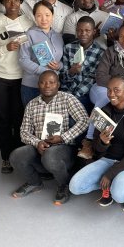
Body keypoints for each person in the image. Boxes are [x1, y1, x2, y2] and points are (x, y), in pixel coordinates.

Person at [69, 74, 124, 212]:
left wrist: (110, 173)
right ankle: (110, 184)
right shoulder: (104, 112)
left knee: (119, 196)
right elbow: (97, 149)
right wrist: (102, 142)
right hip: (107, 159)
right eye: (109, 90)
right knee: (75, 187)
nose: (111, 94)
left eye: (116, 90)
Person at [10, 71, 89, 204]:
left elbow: (84, 120)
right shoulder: (32, 104)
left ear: (58, 84)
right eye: (43, 82)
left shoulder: (67, 98)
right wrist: (37, 142)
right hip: (40, 147)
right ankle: (34, 183)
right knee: (15, 156)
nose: (47, 86)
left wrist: (63, 137)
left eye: (51, 82)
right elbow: (24, 132)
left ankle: (64, 185)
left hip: (63, 149)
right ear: (38, 85)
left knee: (50, 156)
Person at [79, 16, 124, 159]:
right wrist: (119, 88)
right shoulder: (111, 51)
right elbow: (100, 76)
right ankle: (88, 141)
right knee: (105, 97)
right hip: (102, 88)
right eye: (121, 36)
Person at [0, 0, 34, 174]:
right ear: (3, 2)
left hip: (22, 77)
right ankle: (6, 157)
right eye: (8, 0)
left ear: (21, 1)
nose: (12, 3)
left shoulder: (29, 22)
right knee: (3, 119)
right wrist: (5, 48)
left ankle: (19, 156)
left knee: (20, 119)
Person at [19, 0, 64, 106]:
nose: (44, 19)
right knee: (32, 121)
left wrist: (58, 66)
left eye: (47, 15)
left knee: (51, 120)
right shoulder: (28, 34)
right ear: (34, 17)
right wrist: (45, 72)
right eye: (39, 15)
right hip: (32, 86)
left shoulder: (58, 36)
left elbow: (61, 61)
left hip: (52, 87)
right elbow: (23, 60)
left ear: (53, 16)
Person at [60, 16, 104, 114]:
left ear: (94, 31)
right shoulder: (68, 48)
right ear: (76, 31)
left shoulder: (100, 52)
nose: (83, 34)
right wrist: (71, 72)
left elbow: (92, 79)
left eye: (87, 30)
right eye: (80, 30)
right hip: (66, 93)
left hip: (83, 95)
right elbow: (62, 77)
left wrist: (74, 97)